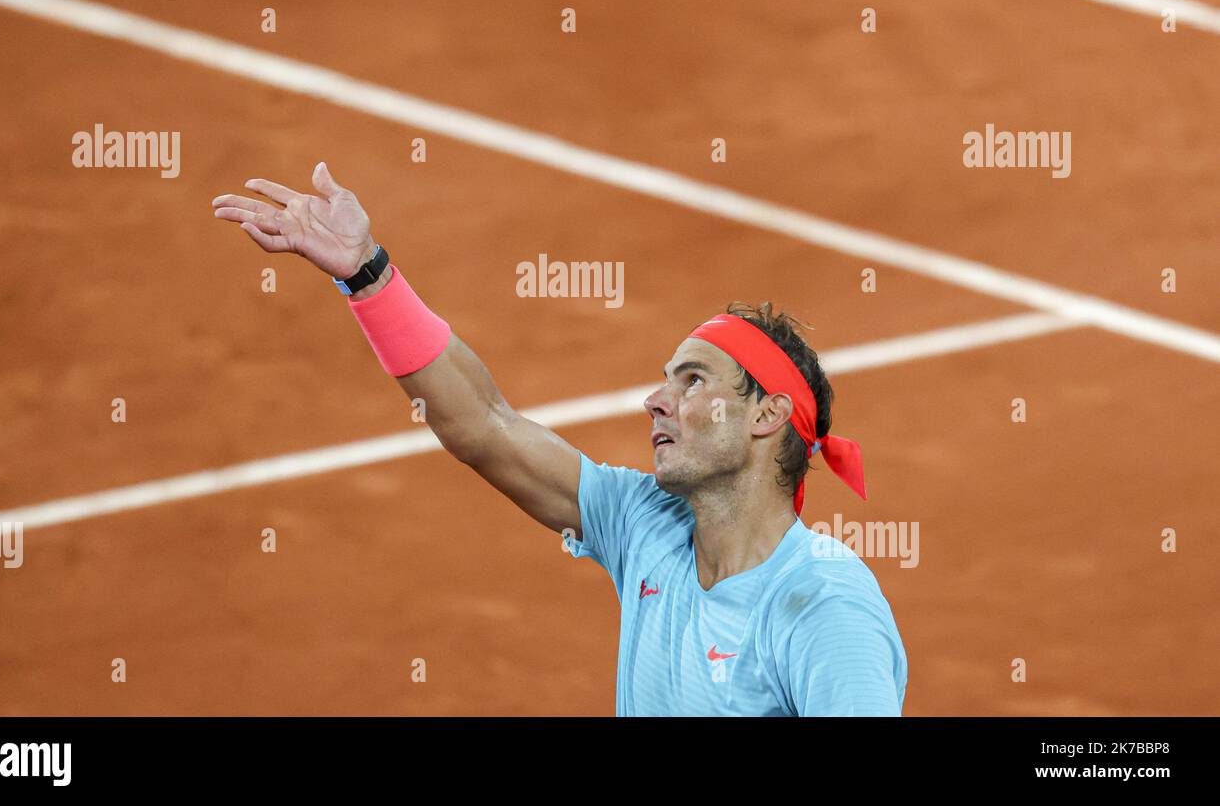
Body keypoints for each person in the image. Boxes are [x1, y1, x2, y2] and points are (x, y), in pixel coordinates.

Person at [211, 162, 908, 715]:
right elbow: (485, 426)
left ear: (766, 415)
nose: (656, 400)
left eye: (693, 381)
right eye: (666, 379)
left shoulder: (823, 608)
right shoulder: (645, 526)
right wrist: (368, 276)